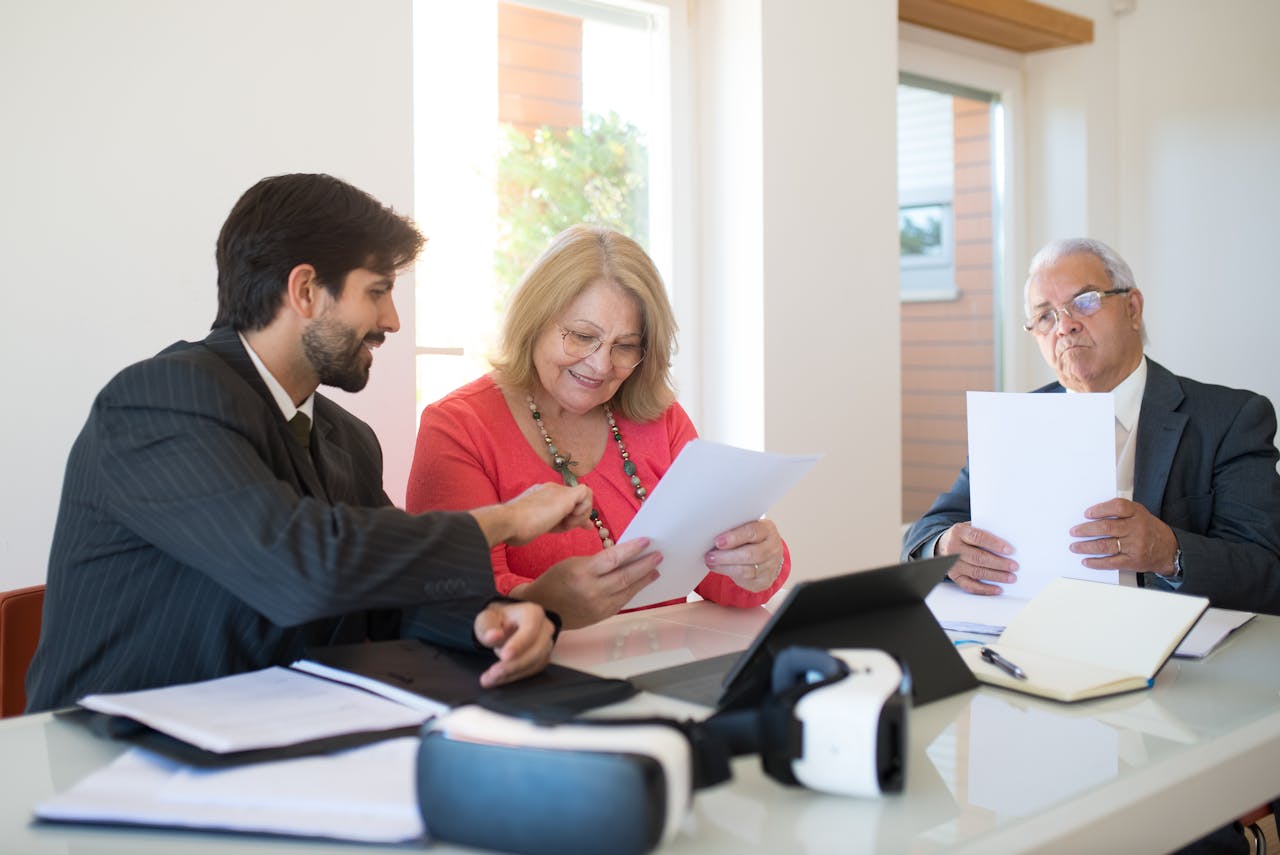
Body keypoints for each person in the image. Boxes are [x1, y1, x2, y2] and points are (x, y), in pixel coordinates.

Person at [25, 174, 596, 712]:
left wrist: (489, 621)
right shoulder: (158, 400)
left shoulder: (347, 439)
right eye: (376, 292)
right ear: (305, 291)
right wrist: (505, 520)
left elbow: (389, 594)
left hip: (276, 742)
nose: (392, 320)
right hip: (109, 755)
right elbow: (303, 565)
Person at [406, 224, 790, 628]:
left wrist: (759, 562)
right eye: (582, 336)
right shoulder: (459, 427)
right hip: (530, 677)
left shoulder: (662, 420)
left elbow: (720, 578)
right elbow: (452, 599)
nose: (601, 365)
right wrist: (547, 604)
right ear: (534, 321)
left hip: (656, 667)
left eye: (625, 346)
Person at [902, 237, 1280, 616]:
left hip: (1170, 644)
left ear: (1133, 308)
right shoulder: (1014, 421)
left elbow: (1265, 572)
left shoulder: (1232, 418)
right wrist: (945, 545)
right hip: (1028, 629)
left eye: (1084, 301)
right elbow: (926, 531)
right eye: (1045, 315)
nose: (1065, 326)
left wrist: (1170, 552)